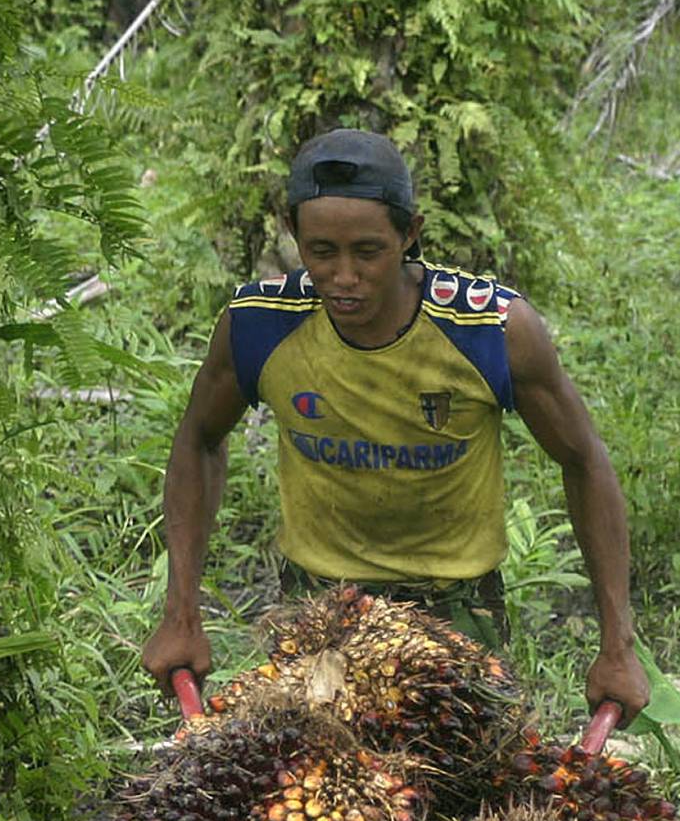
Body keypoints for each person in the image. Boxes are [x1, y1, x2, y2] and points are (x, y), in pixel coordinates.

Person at [140, 128, 650, 723]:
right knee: (310, 797)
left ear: (410, 234)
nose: (344, 276)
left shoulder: (490, 331)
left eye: (368, 251)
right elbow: (199, 439)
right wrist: (181, 615)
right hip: (317, 606)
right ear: (293, 233)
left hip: (456, 612)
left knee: (457, 796)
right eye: (322, 251)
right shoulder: (260, 326)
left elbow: (584, 461)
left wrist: (617, 644)